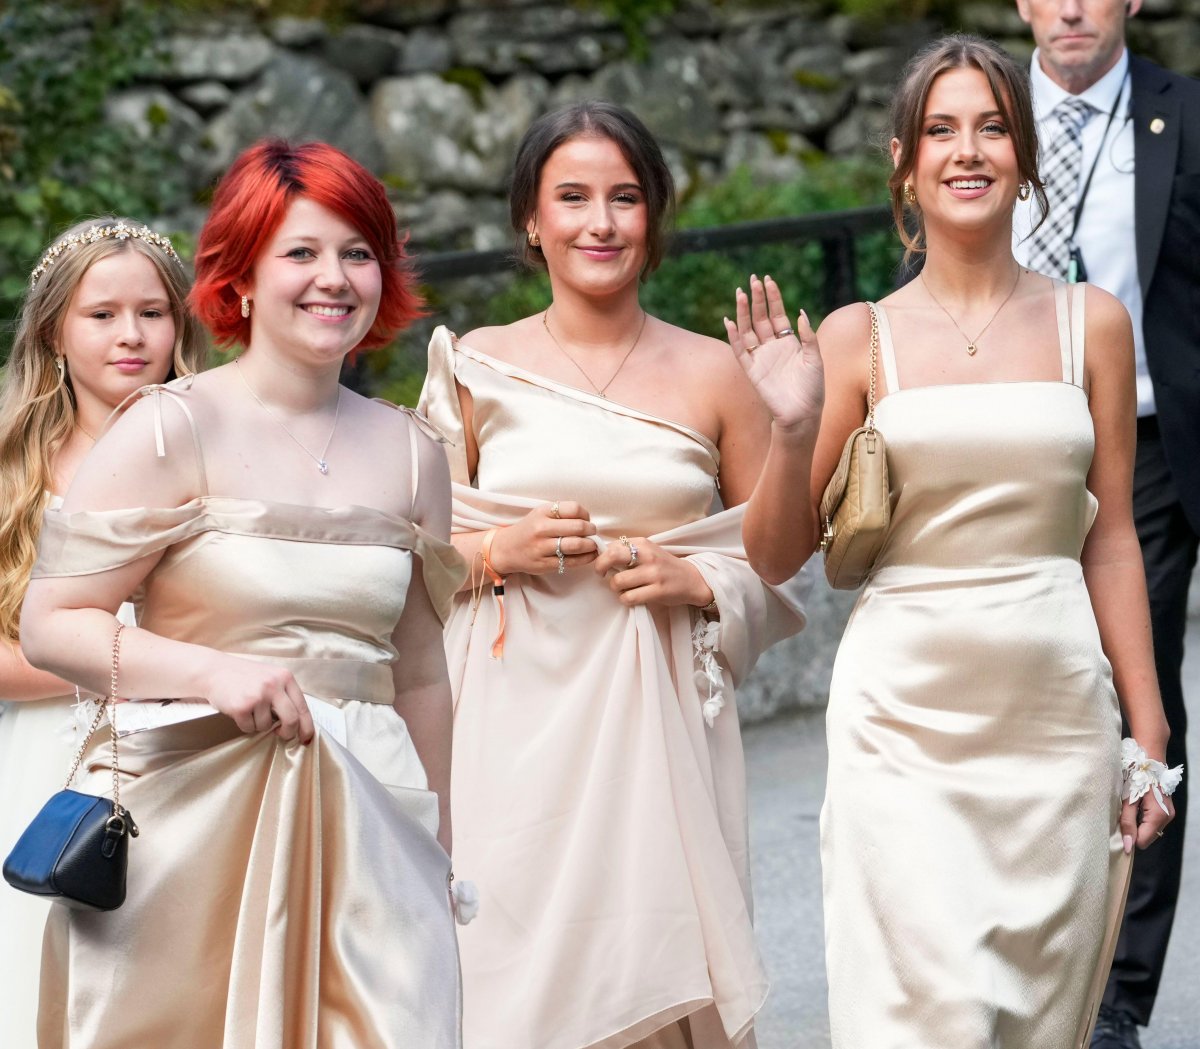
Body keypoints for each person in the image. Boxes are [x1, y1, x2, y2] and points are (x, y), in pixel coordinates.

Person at [725, 35, 1177, 1049]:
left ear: (1024, 154)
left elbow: (1110, 540)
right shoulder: (858, 335)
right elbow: (774, 554)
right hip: (902, 726)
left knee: (1034, 1021)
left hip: (1055, 723)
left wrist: (1148, 732)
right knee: (926, 1019)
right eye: (940, 130)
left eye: (991, 127)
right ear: (904, 161)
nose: (967, 150)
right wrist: (792, 427)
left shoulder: (1094, 323)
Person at [20, 140, 466, 1048]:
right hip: (192, 828)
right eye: (301, 252)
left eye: (357, 252)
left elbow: (421, 672)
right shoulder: (168, 427)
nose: (333, 277)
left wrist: (437, 843)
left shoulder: (414, 452)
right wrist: (213, 672)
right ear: (244, 277)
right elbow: (50, 623)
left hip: (371, 826)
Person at [418, 100, 808, 1049]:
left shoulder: (717, 372)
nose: (601, 222)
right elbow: (412, 557)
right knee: (510, 980)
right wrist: (496, 551)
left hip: (658, 723)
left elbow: (777, 556)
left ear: (654, 215)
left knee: (654, 964)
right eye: (573, 197)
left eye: (625, 197)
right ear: (530, 218)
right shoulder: (474, 364)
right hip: (509, 723)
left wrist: (701, 577)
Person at [1010, 4, 1200, 1044]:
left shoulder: (1187, 116)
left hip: (1152, 446)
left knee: (1138, 688)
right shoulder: (979, 119)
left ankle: (1117, 996)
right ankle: (1023, 954)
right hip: (1010, 439)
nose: (1073, 6)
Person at [0, 216, 205, 1045]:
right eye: (102, 314)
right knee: (44, 972)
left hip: (190, 749)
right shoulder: (15, 470)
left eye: (153, 313)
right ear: (55, 330)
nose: (132, 335)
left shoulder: (218, 449)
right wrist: (123, 661)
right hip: (49, 756)